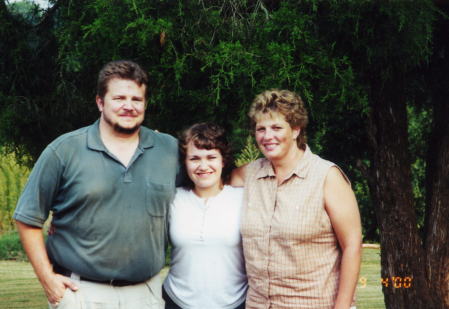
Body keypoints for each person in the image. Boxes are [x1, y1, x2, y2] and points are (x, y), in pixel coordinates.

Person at [13, 60, 179, 309]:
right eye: (119, 98)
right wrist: (48, 280)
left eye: (137, 99)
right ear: (100, 102)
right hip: (81, 293)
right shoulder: (64, 150)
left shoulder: (169, 149)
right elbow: (27, 219)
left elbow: (211, 183)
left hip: (147, 294)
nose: (128, 106)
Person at [231, 89, 362, 309]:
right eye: (260, 129)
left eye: (276, 127)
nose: (267, 136)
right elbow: (209, 180)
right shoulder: (247, 175)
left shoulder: (327, 177)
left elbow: (352, 246)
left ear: (295, 130)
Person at [163, 123, 248, 309]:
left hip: (234, 302)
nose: (203, 166)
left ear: (223, 161)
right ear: (185, 162)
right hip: (178, 301)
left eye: (211, 157)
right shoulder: (172, 198)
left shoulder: (242, 197)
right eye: (194, 158)